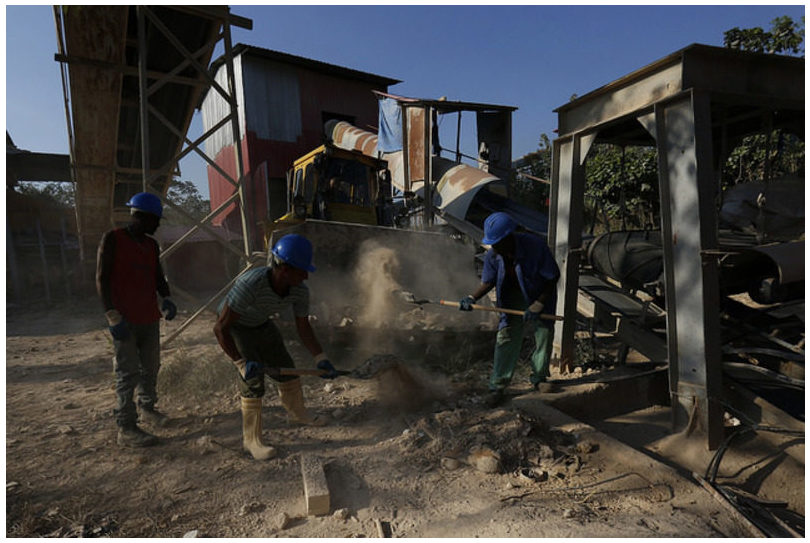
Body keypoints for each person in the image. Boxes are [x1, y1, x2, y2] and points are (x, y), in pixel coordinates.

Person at [213, 233, 339, 460]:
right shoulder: (250, 284)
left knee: (287, 369)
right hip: (237, 326)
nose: (306, 277)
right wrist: (240, 363)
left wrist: (320, 357)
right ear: (284, 269)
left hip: (261, 323)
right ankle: (251, 440)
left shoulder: (299, 290)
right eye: (302, 271)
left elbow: (303, 326)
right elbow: (220, 328)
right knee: (252, 381)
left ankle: (297, 415)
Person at [96, 191, 177, 447]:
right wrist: (111, 316)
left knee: (150, 367)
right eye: (156, 220)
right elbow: (102, 278)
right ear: (141, 217)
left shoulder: (151, 245)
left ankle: (148, 409)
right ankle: (126, 427)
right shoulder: (113, 239)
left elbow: (157, 277)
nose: (158, 225)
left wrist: (167, 298)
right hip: (124, 320)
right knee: (127, 372)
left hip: (149, 318)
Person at [459, 212, 560, 407]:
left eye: (497, 242)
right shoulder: (493, 255)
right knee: (505, 336)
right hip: (511, 297)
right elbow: (488, 282)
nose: (494, 247)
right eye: (492, 243)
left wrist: (539, 303)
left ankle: (539, 379)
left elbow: (551, 277)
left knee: (543, 335)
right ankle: (497, 386)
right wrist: (472, 297)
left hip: (538, 294)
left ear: (509, 237)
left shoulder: (535, 246)